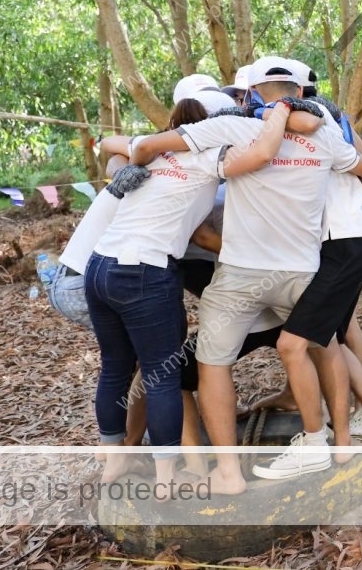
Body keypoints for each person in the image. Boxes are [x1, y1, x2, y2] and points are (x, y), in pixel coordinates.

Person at [127, 56, 362, 494]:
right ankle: (341, 441)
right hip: (302, 269)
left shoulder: (231, 127)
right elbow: (361, 172)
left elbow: (150, 144)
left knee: (212, 363)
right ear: (301, 93)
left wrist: (132, 154)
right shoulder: (327, 133)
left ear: (251, 93)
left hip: (241, 272)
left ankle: (228, 474)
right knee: (324, 345)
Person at [87, 97, 289, 495]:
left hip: (100, 266)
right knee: (162, 376)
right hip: (144, 270)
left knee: (114, 368)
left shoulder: (157, 152)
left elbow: (109, 141)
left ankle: (112, 458)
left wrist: (125, 161)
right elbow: (264, 152)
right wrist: (281, 112)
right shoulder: (210, 159)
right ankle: (166, 480)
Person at [255, 93, 362, 479]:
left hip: (338, 245)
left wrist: (266, 112)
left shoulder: (308, 127)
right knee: (329, 335)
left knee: (293, 343)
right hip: (353, 240)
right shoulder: (340, 124)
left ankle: (318, 443)